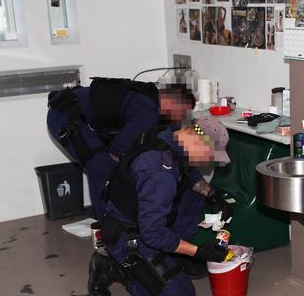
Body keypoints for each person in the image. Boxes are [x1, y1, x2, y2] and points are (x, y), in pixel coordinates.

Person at [87, 116, 233, 296]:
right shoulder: (160, 173)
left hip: (141, 216)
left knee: (193, 200)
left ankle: (169, 258)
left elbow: (188, 172)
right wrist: (197, 252)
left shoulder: (167, 135)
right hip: (130, 236)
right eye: (210, 155)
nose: (209, 161)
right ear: (199, 142)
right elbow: (153, 234)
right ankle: (113, 267)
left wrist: (213, 195)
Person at [46, 79, 196, 218]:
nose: (182, 116)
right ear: (171, 101)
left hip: (75, 112)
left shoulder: (153, 99)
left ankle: (116, 218)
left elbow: (173, 140)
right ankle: (110, 227)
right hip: (65, 117)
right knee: (102, 167)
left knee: (112, 165)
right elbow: (117, 149)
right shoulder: (148, 110)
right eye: (182, 111)